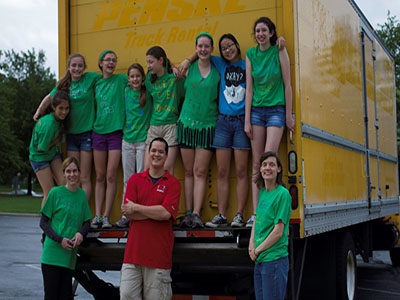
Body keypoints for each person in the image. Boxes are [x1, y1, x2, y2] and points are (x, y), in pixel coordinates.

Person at [244, 17, 294, 227]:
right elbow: (249, 88)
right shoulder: (250, 54)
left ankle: (269, 208)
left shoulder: (279, 51)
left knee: (269, 161)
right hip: (256, 111)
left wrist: (288, 114)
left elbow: (287, 84)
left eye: (264, 30)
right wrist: (246, 119)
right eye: (257, 31)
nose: (260, 34)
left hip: (276, 111)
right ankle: (257, 213)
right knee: (257, 163)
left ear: (272, 33)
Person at [119, 137, 181, 300]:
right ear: (148, 153)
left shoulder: (173, 183)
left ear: (166, 156)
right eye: (153, 150)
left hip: (158, 258)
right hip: (133, 256)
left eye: (161, 151)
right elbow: (128, 212)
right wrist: (153, 212)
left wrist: (137, 207)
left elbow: (165, 214)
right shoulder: (135, 179)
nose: (156, 154)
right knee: (126, 295)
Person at [33, 53, 100, 201]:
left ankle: (83, 212)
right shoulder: (64, 86)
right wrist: (39, 111)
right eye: (74, 65)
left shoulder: (90, 79)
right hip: (71, 135)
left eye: (80, 66)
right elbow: (49, 98)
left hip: (87, 134)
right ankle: (72, 211)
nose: (77, 68)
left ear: (84, 67)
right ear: (69, 67)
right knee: (72, 176)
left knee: (84, 177)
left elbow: (107, 80)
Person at [177, 32, 219, 229]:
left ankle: (196, 213)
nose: (203, 49)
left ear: (211, 49)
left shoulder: (217, 68)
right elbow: (173, 70)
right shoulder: (188, 68)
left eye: (206, 46)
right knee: (188, 171)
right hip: (186, 126)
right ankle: (187, 213)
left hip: (207, 126)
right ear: (195, 48)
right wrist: (188, 59)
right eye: (200, 46)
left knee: (200, 171)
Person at [40, 157, 92, 300]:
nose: (72, 174)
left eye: (75, 171)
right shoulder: (55, 193)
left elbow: (87, 222)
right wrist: (59, 239)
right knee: (51, 297)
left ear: (79, 173)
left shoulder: (81, 195)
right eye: (68, 171)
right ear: (63, 174)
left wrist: (80, 234)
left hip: (69, 258)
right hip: (52, 255)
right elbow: (43, 223)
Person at [91, 50, 127, 229]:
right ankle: (97, 215)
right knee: (100, 176)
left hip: (115, 132)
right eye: (108, 60)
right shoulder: (95, 82)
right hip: (98, 132)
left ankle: (106, 216)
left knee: (111, 175)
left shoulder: (121, 80)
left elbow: (140, 80)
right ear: (101, 63)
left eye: (114, 60)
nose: (111, 63)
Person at [248, 151, 292, 300]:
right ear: (260, 169)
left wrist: (257, 250)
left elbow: (278, 232)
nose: (268, 168)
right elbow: (257, 219)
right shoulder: (263, 193)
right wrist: (251, 244)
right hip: (260, 259)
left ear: (279, 169)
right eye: (264, 164)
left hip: (274, 260)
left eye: (272, 165)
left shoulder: (283, 194)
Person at [115, 63, 151, 228]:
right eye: (132, 76)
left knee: (141, 178)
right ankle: (127, 215)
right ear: (128, 79)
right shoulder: (125, 91)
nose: (135, 79)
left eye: (138, 76)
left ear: (143, 78)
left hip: (142, 141)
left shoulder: (147, 93)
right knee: (128, 180)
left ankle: (141, 214)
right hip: (127, 141)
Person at [144, 46, 185, 175]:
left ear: (161, 60)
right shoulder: (149, 80)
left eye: (151, 62)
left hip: (171, 125)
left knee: (167, 169)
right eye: (147, 62)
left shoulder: (175, 78)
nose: (148, 66)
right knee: (147, 168)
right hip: (154, 125)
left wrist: (173, 67)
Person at [29, 89, 70, 206]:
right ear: (53, 107)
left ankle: (61, 216)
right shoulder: (49, 125)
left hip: (52, 153)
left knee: (64, 183)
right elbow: (41, 148)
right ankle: (45, 222)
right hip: (39, 157)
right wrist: (57, 141)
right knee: (50, 191)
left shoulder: (58, 120)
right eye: (61, 109)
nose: (64, 112)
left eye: (66, 108)